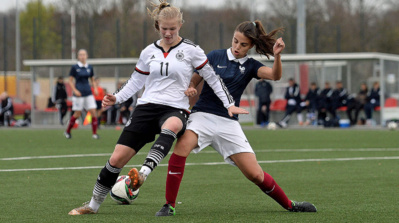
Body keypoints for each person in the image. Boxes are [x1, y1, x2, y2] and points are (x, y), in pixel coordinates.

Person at [68, 0, 246, 215]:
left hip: (175, 108)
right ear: (157, 27)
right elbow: (135, 81)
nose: (168, 33)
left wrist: (230, 104)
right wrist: (117, 98)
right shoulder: (148, 52)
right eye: (164, 29)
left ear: (180, 25)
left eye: (172, 28)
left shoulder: (192, 50)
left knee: (171, 126)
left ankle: (142, 173)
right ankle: (92, 205)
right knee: (116, 159)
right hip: (146, 108)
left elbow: (212, 78)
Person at [147, 20, 316, 216]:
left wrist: (277, 57)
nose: (237, 47)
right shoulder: (215, 55)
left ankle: (289, 204)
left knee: (255, 174)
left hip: (228, 123)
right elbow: (196, 75)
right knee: (181, 149)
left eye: (243, 44)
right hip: (202, 116)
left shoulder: (251, 65)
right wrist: (193, 86)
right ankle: (169, 205)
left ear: (251, 46)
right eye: (235, 41)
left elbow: (275, 76)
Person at [64, 49, 99, 139]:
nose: (82, 56)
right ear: (78, 57)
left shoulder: (89, 67)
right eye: (80, 55)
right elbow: (70, 81)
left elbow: (92, 79)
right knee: (77, 114)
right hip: (78, 94)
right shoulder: (75, 67)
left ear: (87, 56)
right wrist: (75, 90)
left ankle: (94, 134)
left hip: (88, 93)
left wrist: (95, 88)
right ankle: (67, 131)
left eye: (84, 54)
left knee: (93, 112)